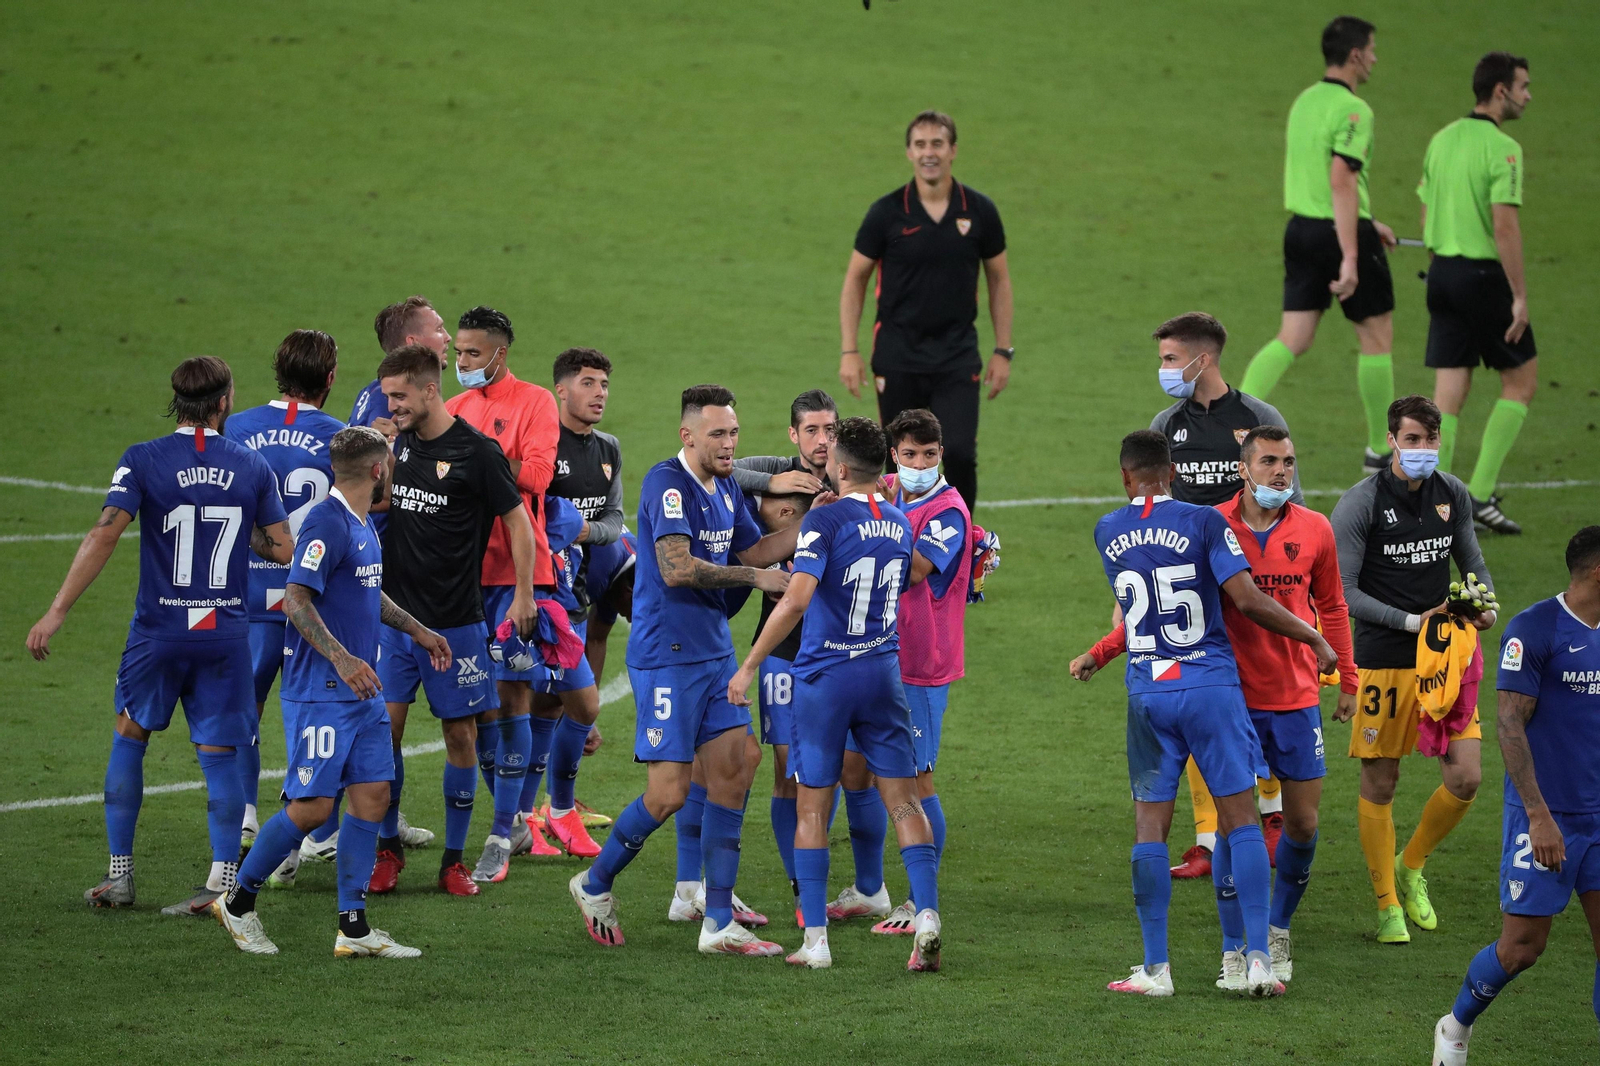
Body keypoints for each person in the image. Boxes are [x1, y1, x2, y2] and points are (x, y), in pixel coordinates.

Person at [1072, 426, 1358, 986]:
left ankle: (1157, 968)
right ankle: (1253, 958)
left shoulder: (1106, 530)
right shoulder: (1208, 522)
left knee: (1150, 830)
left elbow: (1138, 611)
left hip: (1150, 690)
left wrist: (1100, 652)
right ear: (1174, 470)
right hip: (1213, 688)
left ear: (1124, 476)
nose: (1282, 471)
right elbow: (1247, 601)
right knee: (1243, 825)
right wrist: (1317, 640)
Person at [27, 356, 292, 915]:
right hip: (224, 633)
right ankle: (221, 882)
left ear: (177, 400)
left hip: (160, 632)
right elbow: (282, 547)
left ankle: (120, 876)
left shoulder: (143, 459)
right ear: (224, 402)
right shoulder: (252, 466)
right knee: (220, 757)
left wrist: (56, 611)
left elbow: (103, 536)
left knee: (131, 737)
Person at [567, 384, 798, 956]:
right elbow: (675, 567)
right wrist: (756, 581)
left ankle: (717, 921)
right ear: (687, 434)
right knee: (668, 793)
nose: (729, 444)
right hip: (666, 659)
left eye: (734, 432)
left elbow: (753, 550)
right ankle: (594, 883)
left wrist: (832, 517)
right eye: (718, 433)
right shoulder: (666, 483)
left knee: (735, 767)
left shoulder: (724, 490)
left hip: (714, 654)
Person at [211, 426, 448, 958]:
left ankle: (353, 927)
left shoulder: (363, 525)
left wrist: (418, 629)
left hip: (361, 694)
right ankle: (238, 902)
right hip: (321, 691)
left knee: (371, 798)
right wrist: (341, 658)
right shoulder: (327, 521)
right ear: (378, 469)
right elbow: (296, 598)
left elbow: (368, 593)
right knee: (315, 807)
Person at [728, 417, 943, 971]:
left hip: (827, 678)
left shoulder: (824, 519)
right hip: (883, 673)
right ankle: (926, 917)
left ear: (840, 468)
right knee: (903, 799)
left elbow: (797, 600)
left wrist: (750, 665)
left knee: (812, 805)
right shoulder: (898, 522)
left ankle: (816, 942)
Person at [367, 343, 539, 897]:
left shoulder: (476, 452)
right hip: (395, 620)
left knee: (459, 738)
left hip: (456, 625)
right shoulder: (403, 443)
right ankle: (387, 851)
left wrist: (522, 594)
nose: (391, 405)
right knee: (384, 733)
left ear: (428, 389)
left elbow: (517, 523)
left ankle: (452, 862)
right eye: (388, 396)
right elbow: (391, 503)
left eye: (399, 396)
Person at [1330, 394, 1496, 945]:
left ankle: (1412, 864)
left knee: (1467, 775)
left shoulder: (1453, 494)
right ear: (1393, 441)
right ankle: (1386, 906)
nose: (1424, 449)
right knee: (1382, 780)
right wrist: (1410, 622)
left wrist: (1485, 602)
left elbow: (1471, 562)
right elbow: (1344, 593)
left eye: (1432, 439)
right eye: (1414, 440)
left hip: (1445, 660)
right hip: (1382, 661)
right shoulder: (1360, 504)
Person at [1430, 527, 1600, 1065]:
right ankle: (1454, 1028)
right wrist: (1538, 816)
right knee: (1523, 948)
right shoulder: (1535, 629)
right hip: (1547, 817)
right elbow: (1508, 725)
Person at [1148, 312, 1300, 879]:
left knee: (1260, 697)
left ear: (1201, 359)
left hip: (1253, 583)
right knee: (1198, 698)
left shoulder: (1258, 417)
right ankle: (1208, 840)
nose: (1163, 370)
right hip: (1190, 586)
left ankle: (1273, 817)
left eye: (1169, 359)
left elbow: (1290, 499)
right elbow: (1156, 504)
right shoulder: (1167, 422)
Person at [828, 408, 976, 937]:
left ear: (942, 454)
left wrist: (855, 533)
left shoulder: (948, 512)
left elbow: (912, 569)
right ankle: (870, 889)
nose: (918, 464)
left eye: (929, 455)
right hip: (876, 657)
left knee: (916, 778)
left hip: (921, 662)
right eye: (909, 455)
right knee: (854, 769)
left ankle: (919, 900)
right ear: (894, 454)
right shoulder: (886, 489)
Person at [1238, 16, 1400, 475]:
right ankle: (1378, 450)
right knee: (1375, 338)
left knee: (1293, 337)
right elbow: (1340, 177)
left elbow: (1321, 182)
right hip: (1337, 234)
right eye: (1371, 49)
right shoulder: (1355, 110)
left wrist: (1370, 220)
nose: (1374, 57)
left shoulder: (1305, 101)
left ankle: (1237, 423)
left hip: (1302, 231)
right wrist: (1352, 252)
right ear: (1353, 55)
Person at [839, 109, 1013, 509]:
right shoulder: (886, 213)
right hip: (898, 354)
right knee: (897, 459)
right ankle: (894, 543)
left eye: (937, 143)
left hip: (956, 354)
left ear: (952, 150)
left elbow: (999, 279)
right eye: (920, 144)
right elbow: (855, 279)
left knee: (960, 457)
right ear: (908, 153)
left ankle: (963, 542)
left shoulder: (979, 211)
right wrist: (850, 351)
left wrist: (1003, 350)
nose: (928, 152)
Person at [441, 306, 561, 883]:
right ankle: (511, 817)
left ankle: (497, 832)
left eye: (470, 354)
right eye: (457, 353)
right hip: (464, 576)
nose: (461, 363)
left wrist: (475, 461)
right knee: (476, 704)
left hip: (518, 573)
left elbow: (537, 477)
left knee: (513, 696)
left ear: (499, 353)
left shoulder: (535, 403)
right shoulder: (454, 410)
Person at [222, 330, 345, 852]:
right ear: (331, 378)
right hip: (307, 601)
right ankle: (310, 828)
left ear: (279, 371)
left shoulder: (238, 427)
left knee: (244, 706)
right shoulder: (341, 437)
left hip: (246, 596)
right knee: (309, 710)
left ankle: (246, 812)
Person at [346, 295, 453, 853]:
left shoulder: (385, 397)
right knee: (383, 720)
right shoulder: (386, 407)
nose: (449, 338)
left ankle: (378, 826)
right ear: (413, 345)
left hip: (387, 575)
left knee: (384, 717)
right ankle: (342, 831)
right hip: (380, 581)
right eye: (439, 329)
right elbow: (370, 492)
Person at [1421, 52, 1536, 535]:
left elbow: (1426, 214)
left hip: (1441, 273)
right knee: (1521, 381)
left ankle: (1432, 502)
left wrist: (1440, 261)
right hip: (1483, 279)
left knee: (1449, 395)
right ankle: (1480, 493)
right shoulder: (1504, 148)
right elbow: (1505, 225)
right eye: (1524, 86)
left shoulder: (1442, 139)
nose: (1529, 96)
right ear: (1500, 91)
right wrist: (1519, 295)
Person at [519, 347, 627, 857]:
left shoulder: (608, 449)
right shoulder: (542, 445)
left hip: (575, 595)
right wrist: (547, 534)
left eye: (604, 383)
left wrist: (580, 529)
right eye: (588, 383)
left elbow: (614, 523)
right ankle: (548, 813)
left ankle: (529, 820)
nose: (599, 392)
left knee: (547, 706)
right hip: (538, 597)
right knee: (565, 705)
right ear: (560, 389)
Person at [730, 389, 838, 499]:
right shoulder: (776, 469)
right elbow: (720, 472)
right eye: (811, 430)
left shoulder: (851, 474)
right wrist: (771, 482)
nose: (823, 440)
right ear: (794, 435)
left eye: (829, 429)